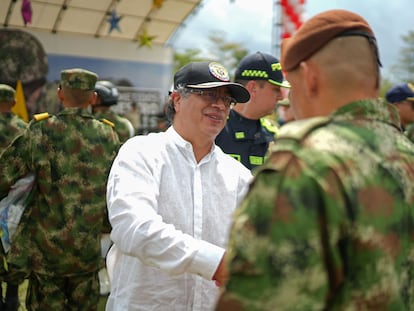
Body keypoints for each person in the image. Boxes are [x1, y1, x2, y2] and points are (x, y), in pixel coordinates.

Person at [216, 9, 414, 311]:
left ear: (309, 78)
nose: (286, 100)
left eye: (290, 89)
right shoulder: (405, 153)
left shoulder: (305, 165)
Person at [105, 61, 253, 311]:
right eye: (208, 94)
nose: (219, 105)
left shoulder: (238, 175)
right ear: (177, 100)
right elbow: (134, 229)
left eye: (227, 100)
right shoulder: (141, 152)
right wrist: (215, 263)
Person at [0, 68, 120, 310]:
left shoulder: (40, 130)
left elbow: (5, 175)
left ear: (60, 94)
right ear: (93, 98)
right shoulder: (108, 134)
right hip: (87, 250)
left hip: (46, 251)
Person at [215, 51, 290, 171]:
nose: (281, 97)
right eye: (276, 90)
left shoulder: (276, 135)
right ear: (253, 88)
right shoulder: (214, 128)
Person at [0, 84, 27, 311]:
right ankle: (11, 295)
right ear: (14, 102)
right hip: (16, 199)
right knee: (14, 245)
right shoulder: (24, 128)